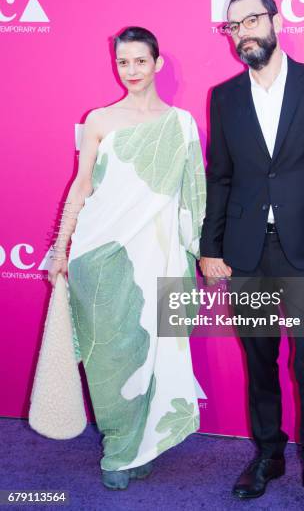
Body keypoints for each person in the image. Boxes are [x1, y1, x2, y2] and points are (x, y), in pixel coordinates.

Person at [199, 0, 304, 510]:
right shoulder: (224, 96)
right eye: (233, 26)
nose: (244, 31)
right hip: (246, 253)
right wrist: (210, 247)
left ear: (276, 20)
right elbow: (219, 178)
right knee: (260, 358)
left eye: (252, 19)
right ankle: (268, 455)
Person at [48, 26, 206, 490]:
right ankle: (119, 448)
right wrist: (62, 246)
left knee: (156, 350)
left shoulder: (180, 124)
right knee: (110, 357)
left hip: (159, 256)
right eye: (123, 62)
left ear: (157, 64)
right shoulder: (99, 119)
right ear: (115, 66)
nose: (132, 70)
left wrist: (203, 250)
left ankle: (144, 444)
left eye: (140, 61)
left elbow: (194, 193)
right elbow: (82, 185)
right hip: (100, 253)